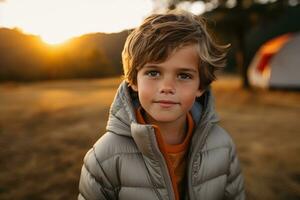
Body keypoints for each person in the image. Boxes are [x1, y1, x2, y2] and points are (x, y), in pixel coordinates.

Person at [78, 10, 245, 200]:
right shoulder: (104, 157)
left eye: (184, 75)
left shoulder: (223, 146)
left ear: (201, 86)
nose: (167, 87)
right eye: (153, 73)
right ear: (133, 80)